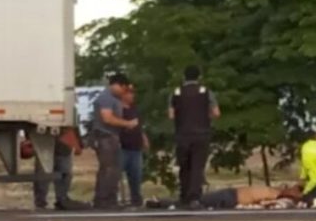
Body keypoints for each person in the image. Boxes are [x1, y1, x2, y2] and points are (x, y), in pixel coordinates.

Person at [169, 65, 220, 209]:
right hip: (201, 134)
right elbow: (216, 113)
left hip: (182, 135)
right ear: (199, 77)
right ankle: (195, 198)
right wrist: (205, 117)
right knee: (197, 166)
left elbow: (171, 115)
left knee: (184, 166)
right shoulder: (206, 92)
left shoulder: (176, 93)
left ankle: (184, 196)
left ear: (184, 77)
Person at [91, 73, 138, 209]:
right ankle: (104, 200)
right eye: (123, 89)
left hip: (111, 136)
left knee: (113, 169)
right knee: (109, 169)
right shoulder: (106, 98)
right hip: (105, 137)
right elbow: (107, 118)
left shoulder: (114, 98)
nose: (124, 92)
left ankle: (108, 199)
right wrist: (126, 124)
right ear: (118, 85)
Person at [32, 127, 89, 210]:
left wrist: (78, 143)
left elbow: (73, 125)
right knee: (43, 175)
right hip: (49, 144)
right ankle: (42, 201)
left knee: (64, 174)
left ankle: (61, 199)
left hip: (60, 146)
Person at [145, 185, 303, 210]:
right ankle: (161, 202)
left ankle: (161, 202)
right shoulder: (274, 190)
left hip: (231, 198)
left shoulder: (276, 197)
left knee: (197, 202)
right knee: (197, 201)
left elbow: (266, 204)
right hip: (230, 195)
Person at [120, 87, 149, 207]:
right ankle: (117, 198)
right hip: (122, 147)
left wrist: (144, 138)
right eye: (129, 93)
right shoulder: (118, 109)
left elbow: (139, 126)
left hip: (136, 148)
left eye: (133, 93)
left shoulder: (134, 109)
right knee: (117, 174)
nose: (132, 95)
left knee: (136, 176)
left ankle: (136, 199)